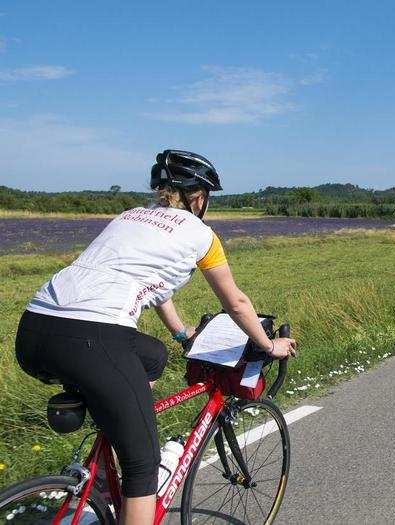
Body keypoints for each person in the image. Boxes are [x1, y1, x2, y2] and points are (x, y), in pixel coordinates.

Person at [14, 150, 296, 524]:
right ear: (198, 198)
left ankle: (104, 460)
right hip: (94, 338)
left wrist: (182, 334)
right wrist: (268, 344)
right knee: (142, 466)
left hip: (33, 331)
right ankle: (128, 458)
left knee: (153, 355)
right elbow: (237, 302)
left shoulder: (128, 217)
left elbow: (155, 287)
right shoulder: (202, 234)